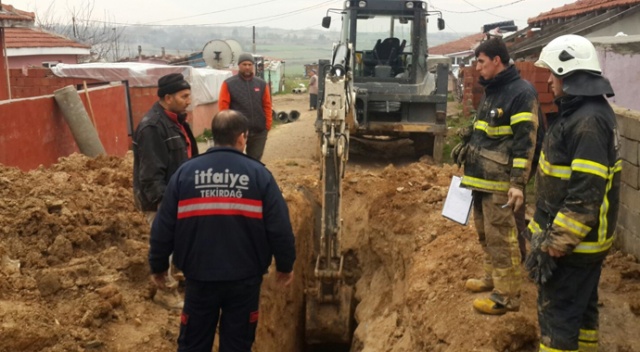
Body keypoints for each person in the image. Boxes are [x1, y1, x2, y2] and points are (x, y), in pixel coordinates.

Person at [148, 109, 296, 352]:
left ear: (214, 135)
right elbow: (279, 227)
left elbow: (163, 227)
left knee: (193, 343)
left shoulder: (184, 174)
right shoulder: (259, 175)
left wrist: (158, 266)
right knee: (237, 344)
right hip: (244, 279)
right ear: (241, 137)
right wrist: (285, 265)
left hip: (199, 277)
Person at [530, 34, 620, 352]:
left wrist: (555, 244)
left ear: (569, 73)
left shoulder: (587, 122)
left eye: (553, 73)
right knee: (582, 315)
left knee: (558, 321)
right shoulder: (585, 113)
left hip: (573, 248)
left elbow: (585, 193)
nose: (550, 81)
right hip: (583, 244)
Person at [451, 37, 539, 315]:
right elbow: (487, 131)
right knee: (485, 233)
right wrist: (468, 144)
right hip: (480, 178)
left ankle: (507, 295)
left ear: (497, 61)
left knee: (502, 237)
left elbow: (525, 143)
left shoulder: (521, 93)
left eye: (481, 62)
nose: (477, 68)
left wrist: (517, 184)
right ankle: (492, 278)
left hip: (500, 181)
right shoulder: (493, 91)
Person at [133, 72, 199, 309]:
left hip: (180, 195)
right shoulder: (152, 127)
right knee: (164, 244)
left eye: (189, 95)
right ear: (168, 97)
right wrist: (163, 205)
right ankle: (165, 291)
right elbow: (150, 174)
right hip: (162, 199)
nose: (188, 100)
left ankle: (178, 276)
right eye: (184, 96)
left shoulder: (178, 121)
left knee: (182, 240)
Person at [219, 52, 273, 161]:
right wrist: (227, 127)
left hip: (259, 130)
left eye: (249, 64)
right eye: (244, 64)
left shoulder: (261, 84)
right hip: (237, 131)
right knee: (235, 160)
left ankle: (252, 178)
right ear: (239, 66)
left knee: (255, 161)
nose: (247, 67)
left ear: (253, 66)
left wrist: (267, 125)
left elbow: (267, 105)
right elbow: (223, 107)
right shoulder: (229, 84)